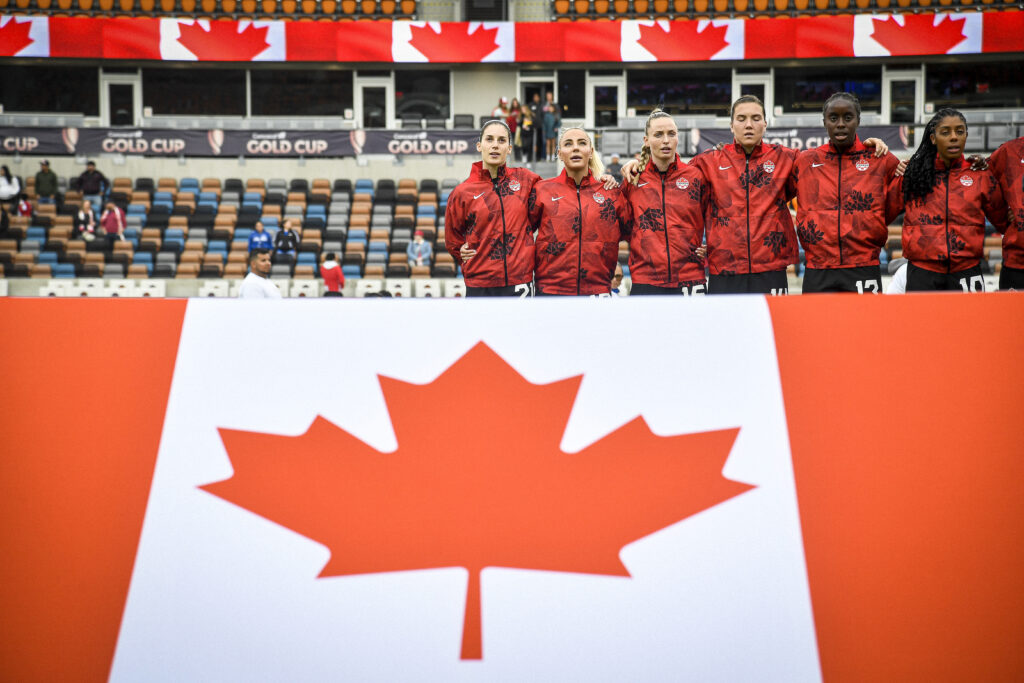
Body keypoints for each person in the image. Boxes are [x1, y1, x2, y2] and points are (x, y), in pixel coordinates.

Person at [686, 95, 889, 295]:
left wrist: (865, 147)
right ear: (731, 126)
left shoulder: (789, 158)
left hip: (771, 268)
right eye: (741, 119)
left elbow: (834, 160)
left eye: (756, 118)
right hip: (724, 268)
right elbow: (676, 193)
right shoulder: (707, 162)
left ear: (765, 124)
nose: (749, 124)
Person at [790, 92, 902, 294]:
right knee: (817, 326)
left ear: (858, 120)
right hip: (818, 269)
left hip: (863, 266)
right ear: (824, 122)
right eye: (834, 118)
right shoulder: (805, 161)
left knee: (862, 326)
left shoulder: (880, 159)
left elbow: (907, 187)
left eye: (847, 117)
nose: (840, 124)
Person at [891, 108, 1007, 292]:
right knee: (922, 322)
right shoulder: (912, 174)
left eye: (959, 131)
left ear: (966, 136)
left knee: (970, 322)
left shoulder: (980, 175)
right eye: (945, 132)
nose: (954, 137)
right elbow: (882, 213)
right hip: (922, 273)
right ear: (933, 138)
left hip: (967, 272)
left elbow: (1004, 221)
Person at [445, 119, 543, 297]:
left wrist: (599, 179)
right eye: (489, 140)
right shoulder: (462, 192)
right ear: (479, 146)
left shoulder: (526, 180)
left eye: (501, 140)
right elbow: (452, 239)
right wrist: (461, 251)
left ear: (510, 148)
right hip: (480, 282)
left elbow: (559, 192)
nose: (495, 146)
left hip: (520, 281)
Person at [528, 127, 629, 296]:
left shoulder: (610, 192)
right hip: (550, 292)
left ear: (590, 152)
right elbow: (519, 232)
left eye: (582, 143)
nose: (575, 148)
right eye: (568, 144)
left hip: (598, 291)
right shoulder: (542, 190)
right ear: (560, 153)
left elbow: (634, 233)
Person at [621, 110, 710, 295]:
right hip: (646, 280)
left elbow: (716, 217)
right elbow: (620, 224)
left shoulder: (695, 176)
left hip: (690, 278)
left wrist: (714, 247)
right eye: (658, 135)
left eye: (671, 134)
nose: (666, 140)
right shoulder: (633, 179)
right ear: (646, 140)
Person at [987, 135, 1024, 290]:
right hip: (1017, 264)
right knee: (1013, 315)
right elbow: (982, 181)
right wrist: (1008, 217)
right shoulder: (1010, 151)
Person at [542, 91, 560, 162]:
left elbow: (559, 122)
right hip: (547, 131)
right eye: (549, 108)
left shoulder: (556, 115)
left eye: (552, 108)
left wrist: (556, 127)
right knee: (547, 144)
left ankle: (553, 156)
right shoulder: (546, 115)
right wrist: (544, 130)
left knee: (553, 144)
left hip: (553, 131)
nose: (550, 109)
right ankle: (548, 156)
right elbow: (544, 123)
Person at [529, 92, 545, 164]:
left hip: (540, 127)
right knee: (532, 142)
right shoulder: (530, 105)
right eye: (534, 97)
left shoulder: (542, 105)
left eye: (537, 97)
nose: (536, 98)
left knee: (539, 142)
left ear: (539, 98)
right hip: (532, 127)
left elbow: (544, 115)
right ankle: (532, 157)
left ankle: (539, 157)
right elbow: (527, 113)